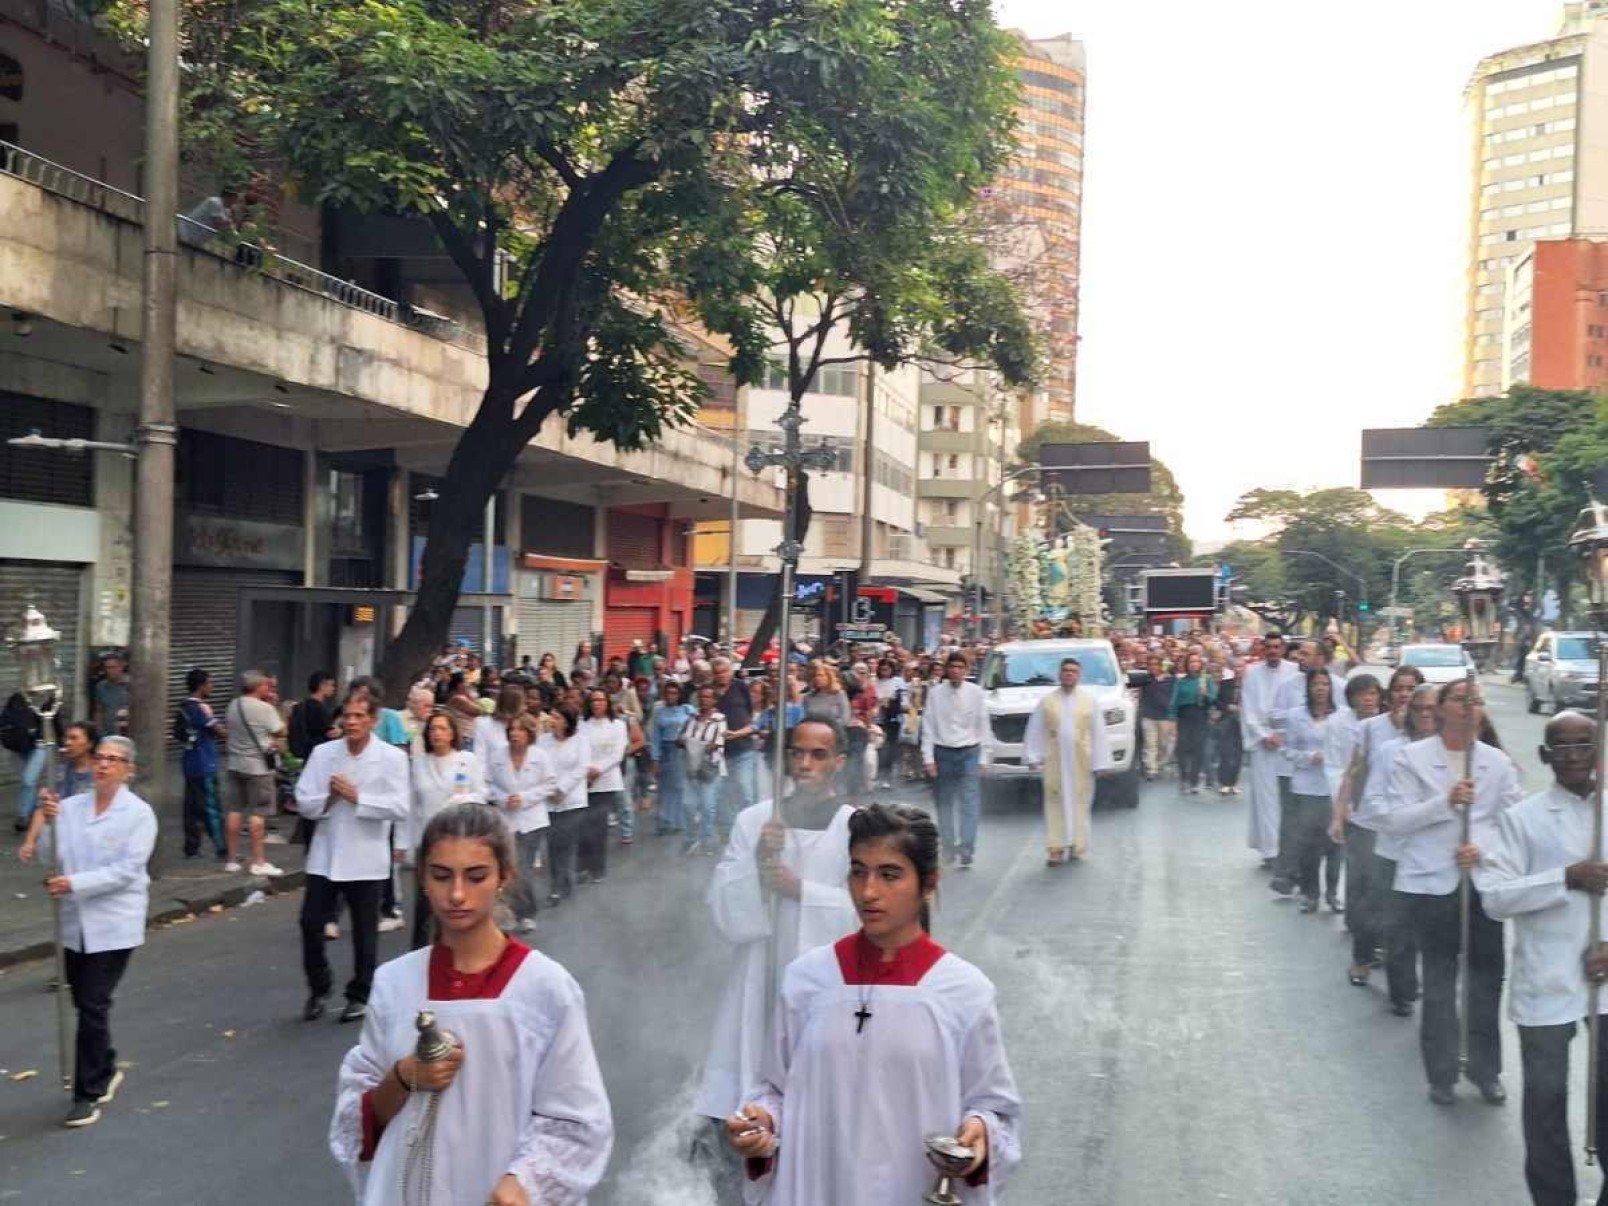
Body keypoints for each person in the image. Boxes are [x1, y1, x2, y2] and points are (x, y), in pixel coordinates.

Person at [729, 803, 1021, 1204]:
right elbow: (774, 1089)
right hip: (818, 1188)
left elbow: (994, 1107)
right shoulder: (807, 980)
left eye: (889, 875)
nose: (868, 892)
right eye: (857, 871)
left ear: (928, 883)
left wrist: (979, 1133)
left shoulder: (963, 992)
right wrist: (760, 1123)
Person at [330, 803, 612, 1203]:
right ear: (424, 879)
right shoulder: (394, 984)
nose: (457, 894)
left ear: (504, 877)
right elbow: (356, 1119)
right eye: (442, 876)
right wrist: (404, 1077)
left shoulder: (545, 988)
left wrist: (526, 1182)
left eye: (475, 876)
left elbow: (577, 1121)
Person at [694, 717, 859, 1186]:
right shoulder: (756, 821)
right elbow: (721, 910)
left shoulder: (854, 828)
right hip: (757, 981)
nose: (805, 764)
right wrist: (757, 862)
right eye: (797, 752)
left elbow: (864, 914)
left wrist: (798, 889)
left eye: (818, 755)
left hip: (822, 991)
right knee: (749, 1107)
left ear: (838, 763)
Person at [1481, 711, 1608, 1205]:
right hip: (1547, 981)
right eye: (1563, 746)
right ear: (1545, 755)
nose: (1574, 755)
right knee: (1546, 1104)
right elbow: (1494, 897)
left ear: (1598, 752)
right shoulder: (1521, 820)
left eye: (1584, 745)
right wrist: (1564, 879)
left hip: (1606, 985)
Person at [1379, 675, 1522, 1105]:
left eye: (1475, 700)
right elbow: (1395, 820)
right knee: (1439, 981)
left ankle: (1485, 1068)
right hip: (1431, 885)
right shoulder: (1412, 758)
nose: (1468, 706)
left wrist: (1483, 849)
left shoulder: (1497, 763)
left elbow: (1513, 823)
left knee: (1486, 980)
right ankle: (1441, 1072)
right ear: (1439, 708)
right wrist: (1446, 802)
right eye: (1459, 699)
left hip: (1482, 882)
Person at [27, 736, 156, 1128]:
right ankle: (106, 1062)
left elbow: (127, 872)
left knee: (94, 1003)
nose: (104, 766)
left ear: (128, 769)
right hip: (75, 924)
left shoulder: (139, 814)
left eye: (113, 760)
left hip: (115, 922)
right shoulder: (71, 807)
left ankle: (88, 1092)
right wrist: (48, 821)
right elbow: (53, 855)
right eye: (100, 758)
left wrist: (74, 883)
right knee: (84, 1001)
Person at [294, 693, 411, 1024]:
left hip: (366, 854)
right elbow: (303, 801)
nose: (352, 722)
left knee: (364, 931)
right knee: (310, 922)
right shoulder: (323, 754)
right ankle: (319, 986)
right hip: (326, 853)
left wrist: (359, 798)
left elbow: (400, 807)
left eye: (360, 716)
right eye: (348, 715)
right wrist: (329, 798)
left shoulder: (390, 758)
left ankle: (360, 993)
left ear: (374, 720)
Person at [405, 711, 486, 950]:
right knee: (424, 902)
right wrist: (404, 843)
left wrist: (463, 799)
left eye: (442, 728)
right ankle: (420, 953)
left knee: (453, 899)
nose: (437, 733)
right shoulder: (419, 764)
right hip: (427, 840)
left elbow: (482, 794)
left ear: (452, 733)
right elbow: (410, 805)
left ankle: (454, 948)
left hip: (459, 838)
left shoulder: (466, 760)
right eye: (433, 729)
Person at [1279, 670, 1356, 914]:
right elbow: (1287, 750)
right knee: (1309, 844)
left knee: (1335, 844)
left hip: (1335, 788)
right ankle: (1310, 893)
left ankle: (1333, 894)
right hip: (1307, 787)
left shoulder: (1343, 716)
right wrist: (1310, 757)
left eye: (1325, 684)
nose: (1321, 689)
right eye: (1316, 684)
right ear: (1309, 688)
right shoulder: (1295, 716)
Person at [1023, 657, 1112, 865]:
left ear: (1079, 675)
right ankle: (1056, 847)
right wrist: (1033, 755)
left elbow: (1097, 732)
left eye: (1073, 671)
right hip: (1056, 760)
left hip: (1081, 760)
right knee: (1055, 801)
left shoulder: (1089, 701)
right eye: (1065, 671)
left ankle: (1077, 845)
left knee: (1080, 801)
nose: (1069, 674)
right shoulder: (1048, 702)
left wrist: (1101, 762)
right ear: (1059, 674)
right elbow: (1036, 729)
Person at [921, 651, 989, 869]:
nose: (956, 671)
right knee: (944, 803)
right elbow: (928, 726)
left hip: (969, 751)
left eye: (960, 667)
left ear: (966, 671)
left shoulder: (976, 693)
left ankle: (967, 848)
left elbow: (983, 725)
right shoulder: (935, 694)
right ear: (946, 670)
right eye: (952, 667)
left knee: (970, 802)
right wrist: (928, 758)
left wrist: (984, 757)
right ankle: (949, 848)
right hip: (943, 753)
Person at [487, 713, 552, 936]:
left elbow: (549, 784)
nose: (515, 734)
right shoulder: (497, 756)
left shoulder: (540, 756)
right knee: (509, 869)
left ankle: (527, 913)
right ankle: (511, 911)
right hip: (506, 819)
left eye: (520, 730)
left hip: (532, 819)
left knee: (522, 867)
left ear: (529, 734)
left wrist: (525, 797)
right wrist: (503, 798)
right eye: (512, 729)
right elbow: (488, 784)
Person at [1240, 633, 1300, 870]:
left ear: (1283, 649)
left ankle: (1290, 847)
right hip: (1264, 742)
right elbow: (1248, 709)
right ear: (1263, 650)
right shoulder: (1252, 673)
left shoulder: (1295, 671)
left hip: (1289, 743)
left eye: (1277, 647)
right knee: (1266, 799)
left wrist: (1285, 735)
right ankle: (1271, 850)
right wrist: (1264, 736)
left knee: (1289, 798)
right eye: (1269, 647)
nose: (1273, 651)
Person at [223, 669, 287, 878]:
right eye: (265, 685)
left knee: (234, 810)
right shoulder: (264, 709)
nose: (268, 688)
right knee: (258, 813)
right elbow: (281, 731)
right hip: (259, 767)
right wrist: (275, 705)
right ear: (257, 686)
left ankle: (232, 860)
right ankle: (259, 861)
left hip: (235, 764)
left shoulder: (234, 705)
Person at [578, 690, 630, 883]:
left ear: (607, 702)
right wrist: (585, 772)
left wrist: (598, 770)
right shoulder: (582, 725)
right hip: (583, 781)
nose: (597, 704)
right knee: (583, 825)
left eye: (601, 700)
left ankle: (598, 868)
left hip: (606, 780)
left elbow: (617, 754)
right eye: (593, 700)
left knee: (598, 826)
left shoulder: (617, 725)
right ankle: (582, 866)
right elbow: (578, 750)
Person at [541, 704, 591, 904]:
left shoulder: (581, 741)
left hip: (572, 801)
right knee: (552, 846)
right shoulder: (542, 741)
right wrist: (550, 790)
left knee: (566, 844)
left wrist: (562, 789)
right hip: (548, 801)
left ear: (567, 721)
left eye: (557, 718)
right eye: (551, 717)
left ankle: (563, 883)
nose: (552, 721)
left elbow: (582, 768)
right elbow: (539, 766)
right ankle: (557, 884)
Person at [176, 669, 226, 860]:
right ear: (201, 686)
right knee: (211, 807)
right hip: (205, 763)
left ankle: (192, 848)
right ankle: (222, 847)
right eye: (210, 683)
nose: (212, 687)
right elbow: (220, 731)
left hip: (189, 764)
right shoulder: (200, 709)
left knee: (191, 808)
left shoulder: (183, 707)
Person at [713, 657, 761, 829]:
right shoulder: (710, 691)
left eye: (724, 671)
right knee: (725, 792)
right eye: (717, 673)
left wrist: (738, 732)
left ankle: (751, 824)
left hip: (743, 747)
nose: (721, 676)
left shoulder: (740, 686)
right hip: (720, 752)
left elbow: (750, 712)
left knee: (744, 788)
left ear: (730, 671)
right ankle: (730, 828)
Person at [682, 684, 729, 857]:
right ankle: (691, 838)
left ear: (714, 700)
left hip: (710, 768)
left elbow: (717, 743)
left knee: (708, 806)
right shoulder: (692, 718)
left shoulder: (719, 719)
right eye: (702, 697)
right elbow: (683, 738)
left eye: (708, 697)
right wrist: (693, 745)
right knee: (688, 805)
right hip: (691, 768)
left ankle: (706, 840)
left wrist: (693, 745)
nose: (704, 700)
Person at [649, 680, 694, 836]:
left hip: (682, 750)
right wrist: (655, 759)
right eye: (668, 693)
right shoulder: (660, 712)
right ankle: (664, 820)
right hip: (666, 750)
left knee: (680, 786)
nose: (671, 696)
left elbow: (698, 725)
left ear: (679, 694)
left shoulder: (687, 710)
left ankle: (678, 820)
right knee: (665, 787)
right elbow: (655, 737)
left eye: (674, 693)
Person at [1169, 651, 1217, 795]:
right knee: (1182, 749)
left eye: (1196, 661)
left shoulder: (1206, 680)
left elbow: (1213, 699)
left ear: (1200, 664)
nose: (1194, 664)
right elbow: (1174, 701)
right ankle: (1184, 778)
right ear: (1187, 665)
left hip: (1200, 716)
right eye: (1191, 662)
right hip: (1184, 717)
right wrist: (1171, 718)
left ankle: (1194, 781)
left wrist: (1205, 694)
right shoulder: (1181, 681)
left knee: (1199, 750)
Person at [1137, 655, 1175, 780]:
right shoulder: (1145, 679)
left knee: (1163, 744)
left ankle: (1160, 764)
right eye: (1150, 664)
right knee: (1150, 744)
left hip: (1164, 716)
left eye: (1155, 664)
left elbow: (1175, 697)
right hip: (1148, 716)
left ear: (1160, 666)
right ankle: (1151, 769)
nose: (1153, 667)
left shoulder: (1170, 680)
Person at [288, 670, 339, 762]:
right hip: (319, 754)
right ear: (322, 685)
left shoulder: (300, 706)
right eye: (331, 685)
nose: (333, 688)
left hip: (304, 753)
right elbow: (330, 733)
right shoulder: (320, 709)